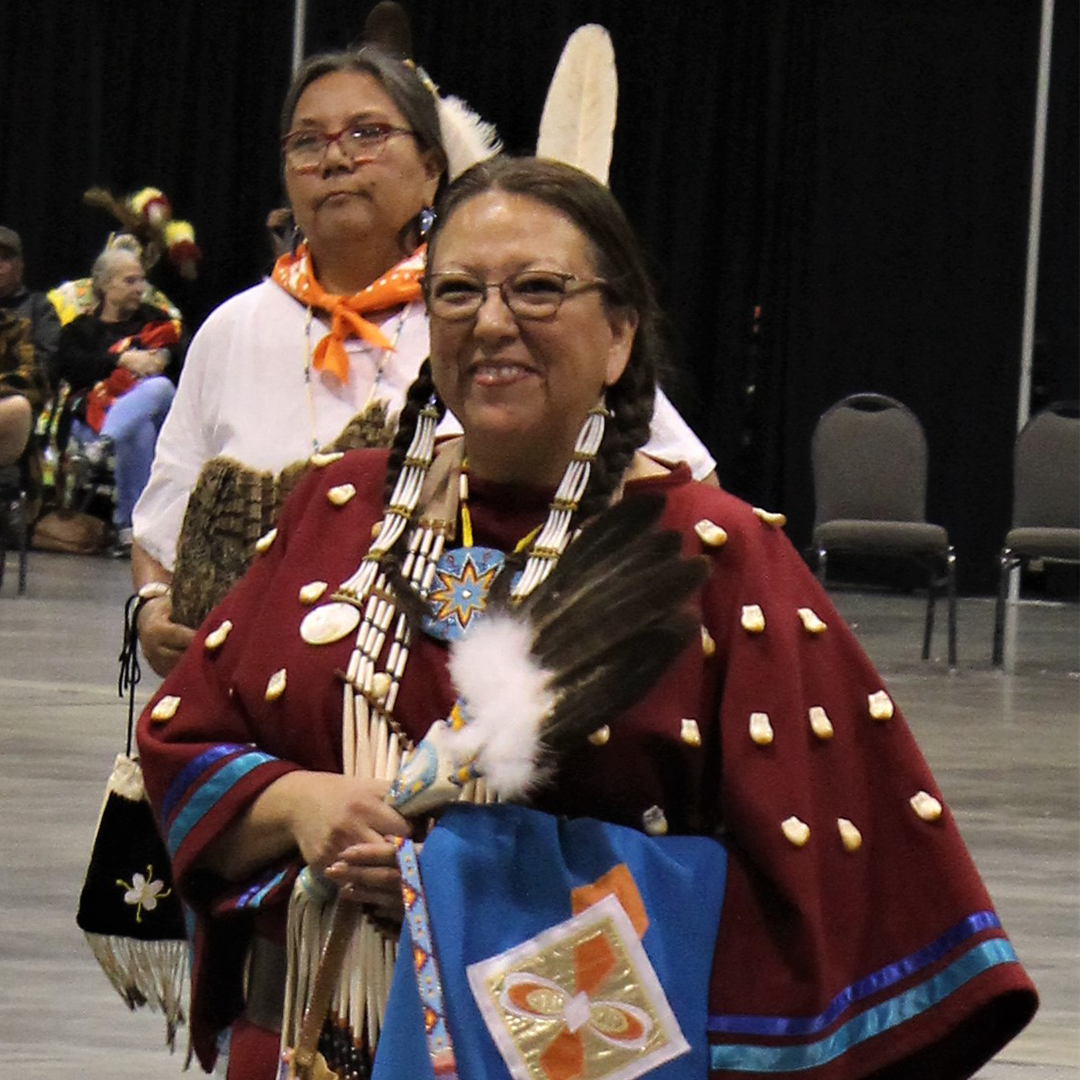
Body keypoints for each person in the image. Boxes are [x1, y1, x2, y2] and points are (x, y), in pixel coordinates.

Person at [138, 157, 1035, 1080]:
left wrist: (463, 880)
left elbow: (829, 899)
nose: (491, 321)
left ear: (617, 336)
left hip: (566, 1054)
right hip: (306, 1042)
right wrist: (301, 805)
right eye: (456, 293)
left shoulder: (711, 555)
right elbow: (181, 742)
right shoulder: (339, 508)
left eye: (536, 288)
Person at [130, 45, 717, 677]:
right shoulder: (233, 328)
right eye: (307, 141)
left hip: (448, 696)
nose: (335, 158)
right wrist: (153, 605)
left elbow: (686, 487)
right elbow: (164, 513)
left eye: (368, 133)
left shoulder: (500, 320)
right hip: (246, 686)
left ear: (432, 168)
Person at [54, 237, 184, 555]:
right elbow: (71, 367)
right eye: (130, 281)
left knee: (160, 387)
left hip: (157, 413)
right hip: (92, 416)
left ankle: (102, 447)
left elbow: (182, 355)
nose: (140, 288)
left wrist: (159, 360)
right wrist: (121, 360)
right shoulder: (80, 331)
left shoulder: (155, 320)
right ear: (105, 285)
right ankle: (130, 530)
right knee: (137, 431)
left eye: (142, 279)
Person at [0, 226, 57, 468]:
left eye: (5, 258)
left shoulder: (38, 308)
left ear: (20, 266)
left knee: (18, 407)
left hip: (13, 402)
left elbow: (43, 369)